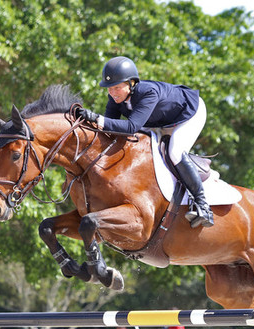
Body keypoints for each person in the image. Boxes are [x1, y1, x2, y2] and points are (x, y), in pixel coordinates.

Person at [75, 56, 214, 228]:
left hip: (188, 114)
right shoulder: (115, 98)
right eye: (110, 89)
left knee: (175, 152)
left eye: (117, 88)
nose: (113, 93)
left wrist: (97, 119)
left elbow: (131, 126)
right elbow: (109, 129)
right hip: (159, 121)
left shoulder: (148, 92)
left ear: (131, 83)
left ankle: (203, 206)